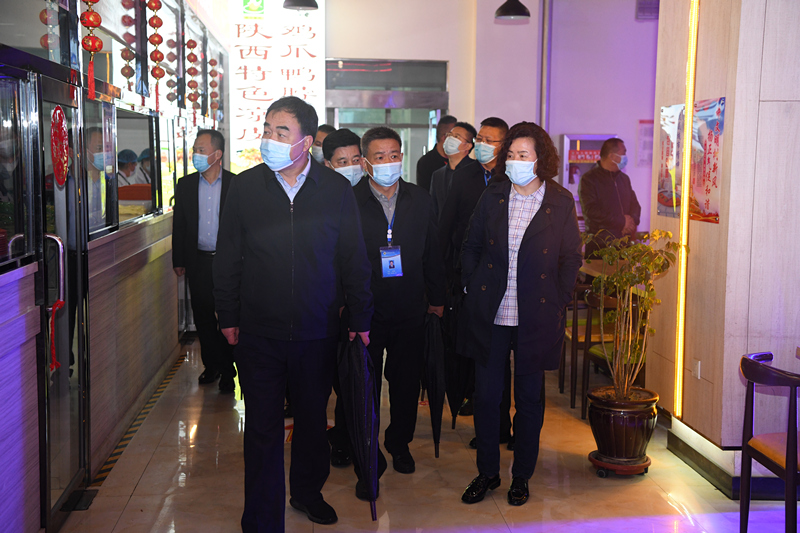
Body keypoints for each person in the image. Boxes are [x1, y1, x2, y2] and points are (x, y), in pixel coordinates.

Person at [213, 96, 372, 531]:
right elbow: (227, 257)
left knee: (311, 422)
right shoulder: (246, 188)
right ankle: (262, 517)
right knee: (262, 427)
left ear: (306, 141)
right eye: (267, 129)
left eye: (281, 132)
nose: (270, 138)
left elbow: (354, 258)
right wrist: (228, 314)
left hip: (316, 329)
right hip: (258, 331)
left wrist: (361, 318)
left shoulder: (335, 189)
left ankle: (306, 492)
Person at [459, 121, 582, 507]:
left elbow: (570, 258)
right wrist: (471, 284)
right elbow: (471, 245)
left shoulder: (560, 201)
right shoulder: (494, 194)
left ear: (540, 159)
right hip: (492, 309)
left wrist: (558, 299)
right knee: (486, 396)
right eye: (510, 154)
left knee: (529, 399)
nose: (514, 161)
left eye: (523, 155)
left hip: (536, 312)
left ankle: (521, 476)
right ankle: (487, 471)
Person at [343, 126, 445, 498]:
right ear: (365, 162)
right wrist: (348, 308)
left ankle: (399, 442)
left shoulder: (421, 198)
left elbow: (433, 251)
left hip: (410, 307)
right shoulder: (349, 199)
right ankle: (367, 454)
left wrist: (437, 298)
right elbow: (340, 257)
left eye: (394, 155)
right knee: (364, 387)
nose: (389, 162)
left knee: (405, 383)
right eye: (380, 157)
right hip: (365, 311)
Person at [438, 117, 515, 450]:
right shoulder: (465, 174)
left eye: (490, 140)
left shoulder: (511, 177)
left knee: (502, 360)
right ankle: (488, 427)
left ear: (504, 146)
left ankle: (505, 428)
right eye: (479, 138)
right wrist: (447, 276)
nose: (481, 144)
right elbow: (447, 224)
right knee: (481, 358)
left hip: (505, 281)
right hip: (469, 279)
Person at [172, 129, 237, 393]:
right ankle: (212, 366)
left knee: (227, 316)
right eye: (194, 150)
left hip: (227, 263)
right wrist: (179, 259)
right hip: (198, 261)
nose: (195, 155)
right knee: (203, 317)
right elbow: (180, 225)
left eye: (201, 150)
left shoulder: (235, 184)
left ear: (217, 154)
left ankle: (228, 370)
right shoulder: (186, 184)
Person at [578, 138, 641, 258]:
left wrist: (631, 222)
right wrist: (622, 222)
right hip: (600, 247)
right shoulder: (589, 179)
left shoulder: (624, 179)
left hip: (624, 246)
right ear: (612, 156)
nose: (625, 157)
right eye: (624, 153)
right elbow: (591, 211)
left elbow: (635, 205)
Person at [429, 121, 480, 218]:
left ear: (468, 145)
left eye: (456, 136)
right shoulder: (437, 175)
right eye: (449, 135)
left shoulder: (477, 171)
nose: (450, 139)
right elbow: (434, 210)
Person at [416, 114, 456, 193]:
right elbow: (424, 193)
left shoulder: (459, 160)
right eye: (455, 137)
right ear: (445, 137)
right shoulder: (426, 162)